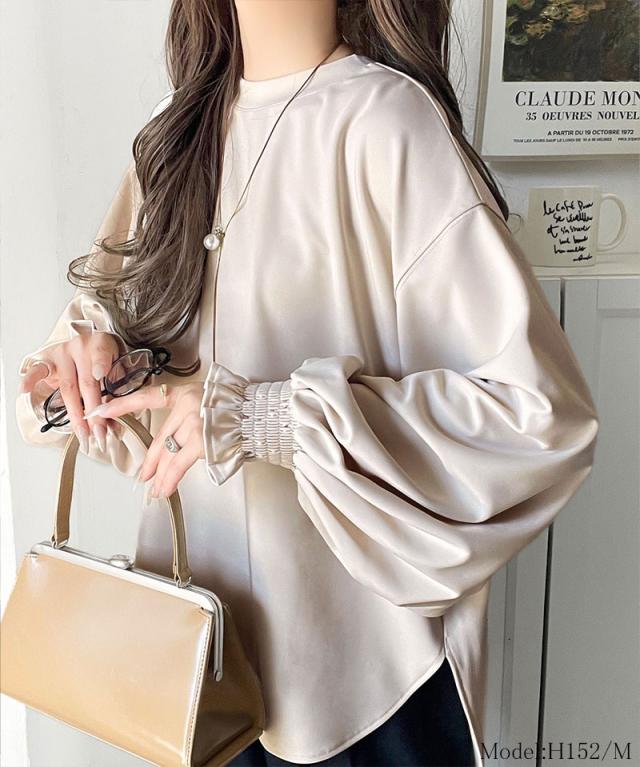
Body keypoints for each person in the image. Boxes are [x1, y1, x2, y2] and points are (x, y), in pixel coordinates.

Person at [15, 1, 600, 765]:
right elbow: (105, 370)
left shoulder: (386, 121)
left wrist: (265, 418)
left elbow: (537, 416)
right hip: (193, 671)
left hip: (368, 684)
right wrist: (83, 375)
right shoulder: (173, 133)